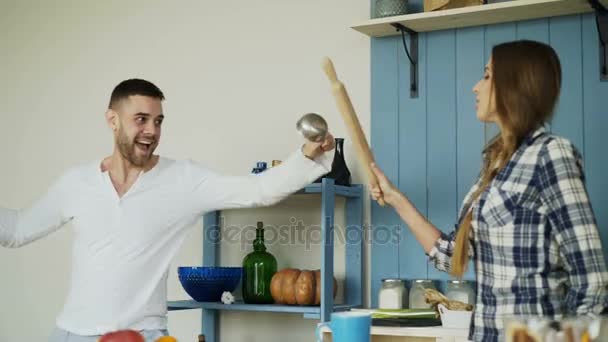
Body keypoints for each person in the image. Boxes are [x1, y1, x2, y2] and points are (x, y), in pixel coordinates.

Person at [0, 79, 336, 342]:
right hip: (72, 333)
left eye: (158, 121)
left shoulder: (183, 180)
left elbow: (259, 190)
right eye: (141, 120)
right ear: (112, 120)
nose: (151, 131)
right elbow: (16, 230)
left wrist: (307, 155)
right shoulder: (77, 182)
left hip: (142, 335)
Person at [368, 40, 608, 341]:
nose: (475, 87)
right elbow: (451, 255)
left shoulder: (551, 154)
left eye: (486, 76)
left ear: (514, 85)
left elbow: (592, 282)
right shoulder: (496, 164)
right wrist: (396, 199)